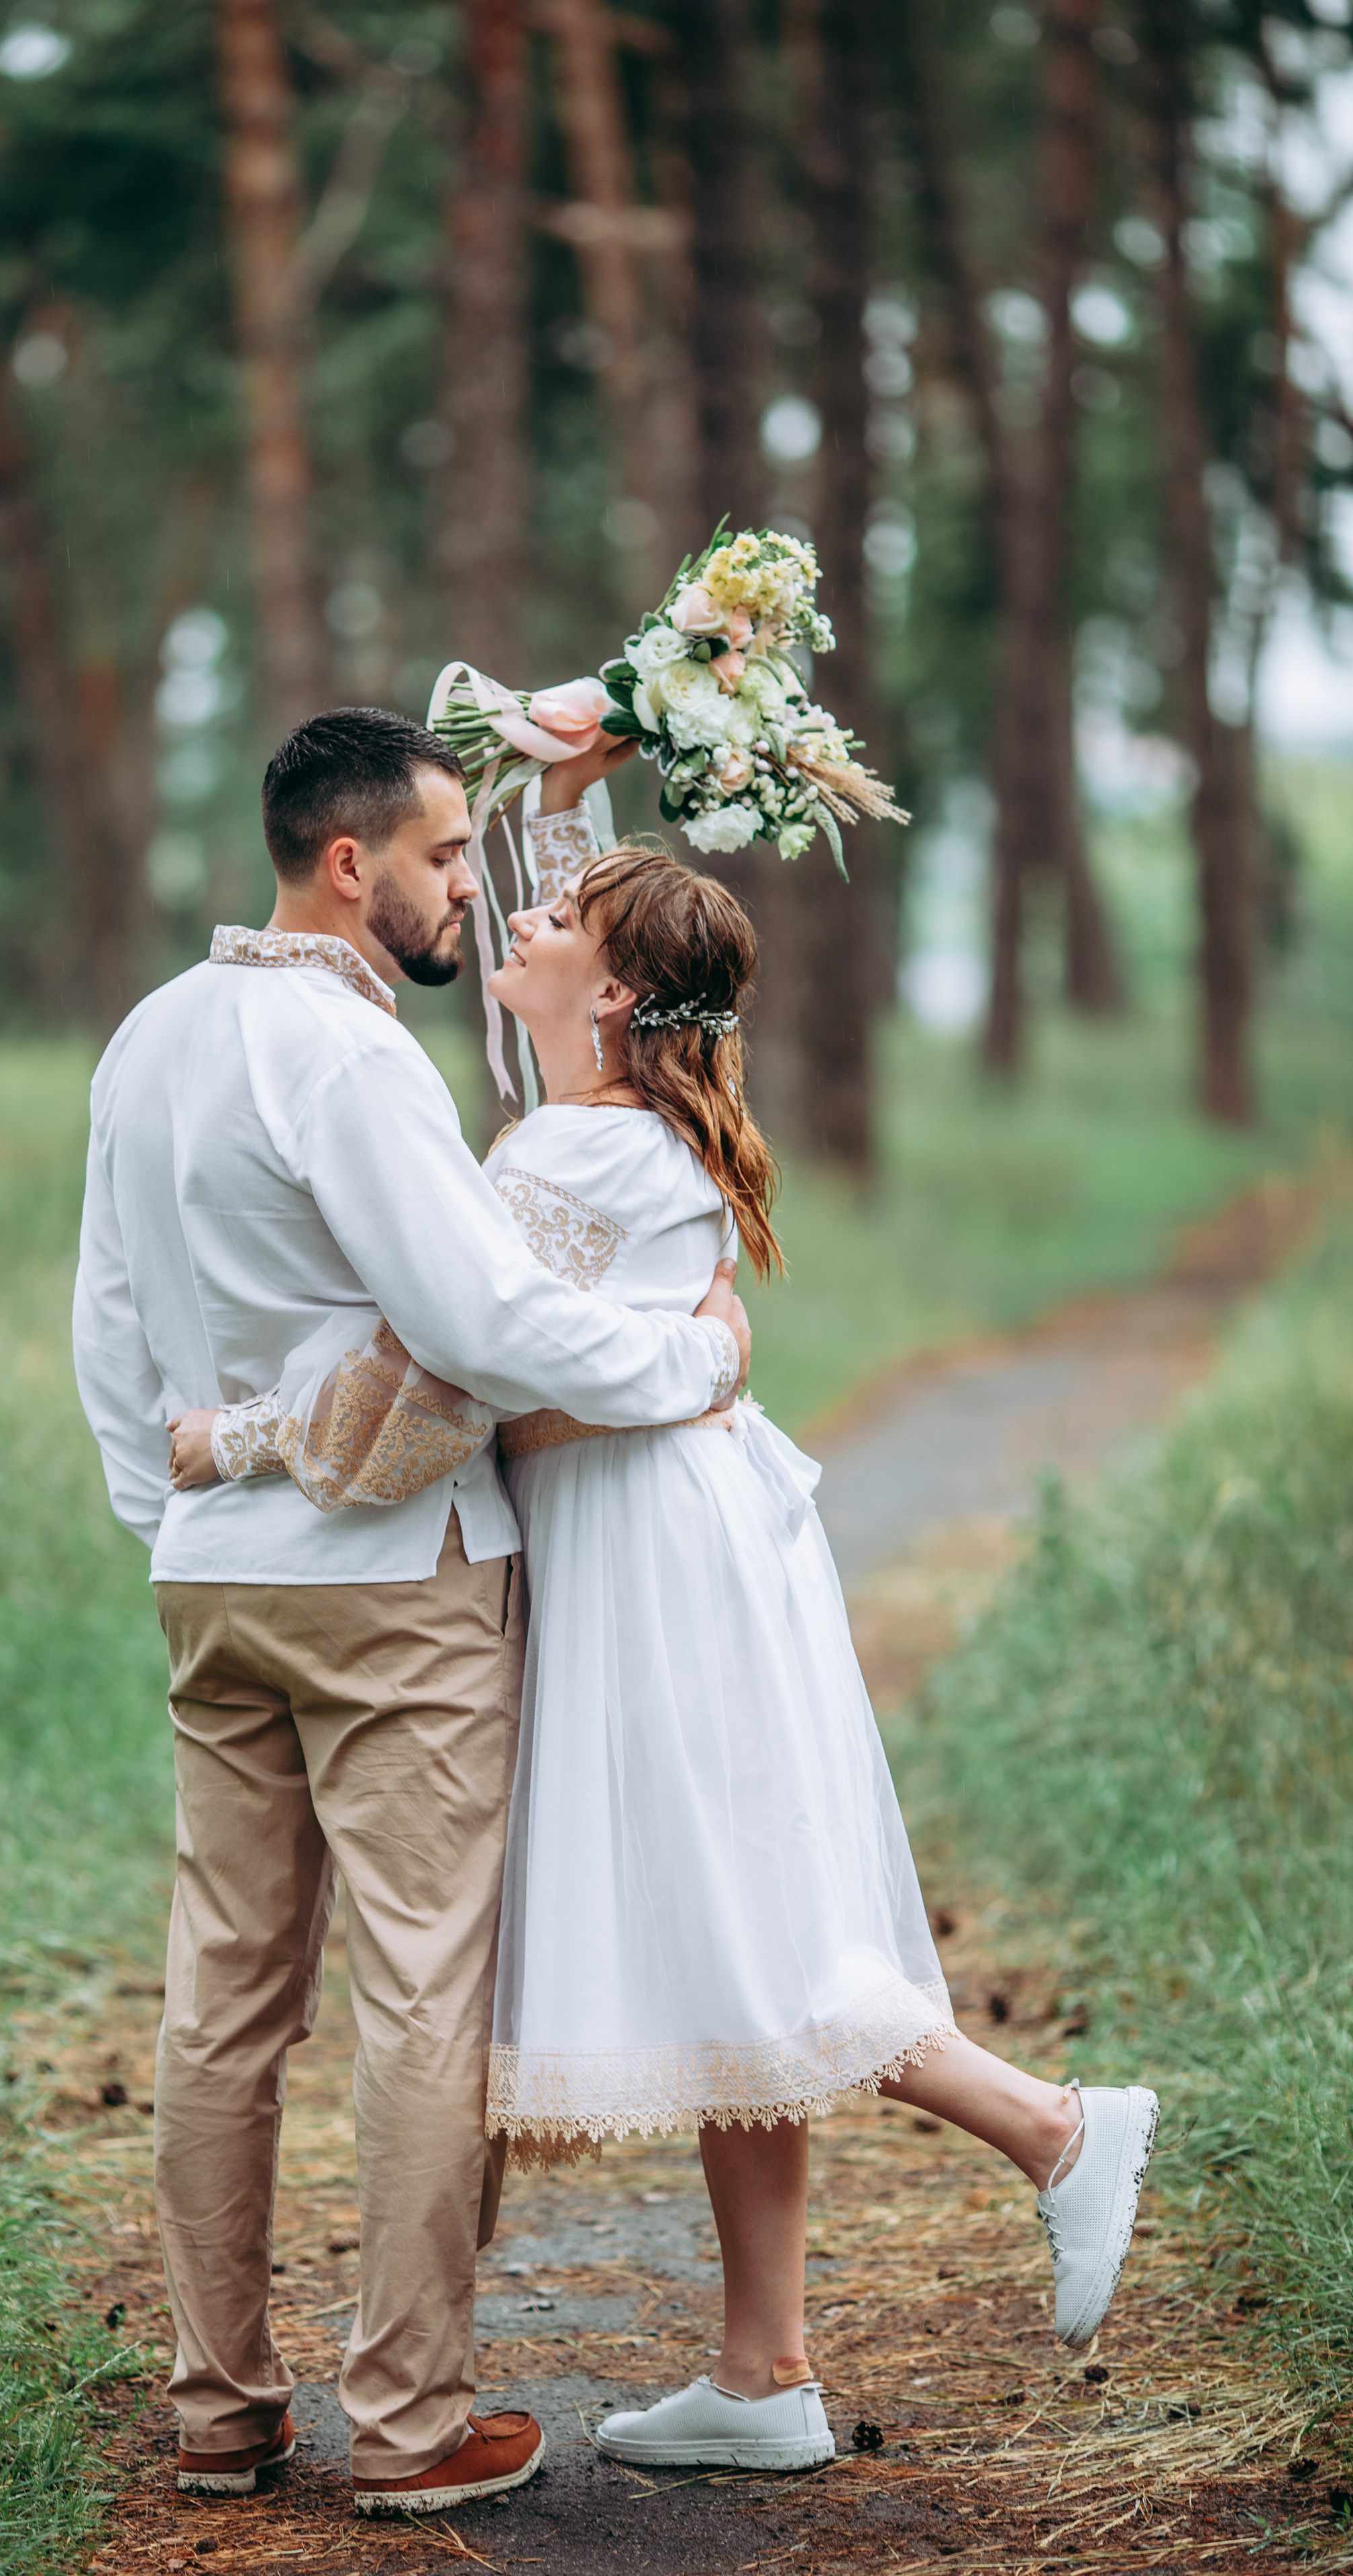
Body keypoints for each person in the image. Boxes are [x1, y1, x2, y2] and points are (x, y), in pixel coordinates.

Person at [178, 810, 1160, 2479]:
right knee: (731, 1926)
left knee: (741, 1923)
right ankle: (764, 2371)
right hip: (670, 1523)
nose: (515, 906)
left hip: (647, 1548)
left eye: (557, 909)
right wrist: (581, 752)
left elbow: (444, 1373)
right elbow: (572, 943)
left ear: (618, 992)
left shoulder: (571, 1155)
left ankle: (1054, 2129)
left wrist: (238, 1438)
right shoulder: (596, 1121)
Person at [70, 709, 750, 2517]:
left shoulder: (147, 1039)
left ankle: (219, 2407)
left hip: (214, 1584)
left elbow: (110, 1327)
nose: (472, 887)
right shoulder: (351, 1062)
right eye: (453, 857)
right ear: (350, 863)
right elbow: (481, 1327)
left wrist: (178, 1521)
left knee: (221, 2002)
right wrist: (683, 1367)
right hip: (396, 1590)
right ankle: (413, 2421)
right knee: (423, 1997)